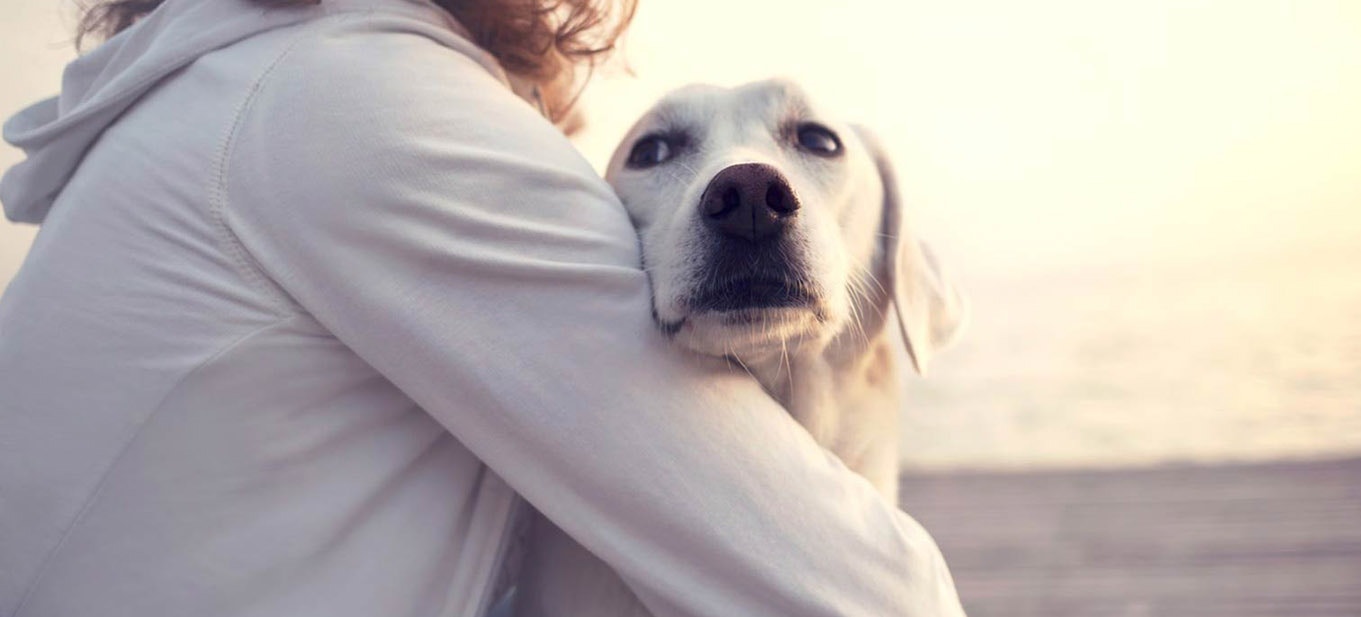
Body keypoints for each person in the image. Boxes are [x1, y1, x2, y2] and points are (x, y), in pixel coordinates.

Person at [0, 0, 965, 615]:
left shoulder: (232, 82)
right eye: (660, 154)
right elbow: (870, 592)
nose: (745, 189)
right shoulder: (359, 96)